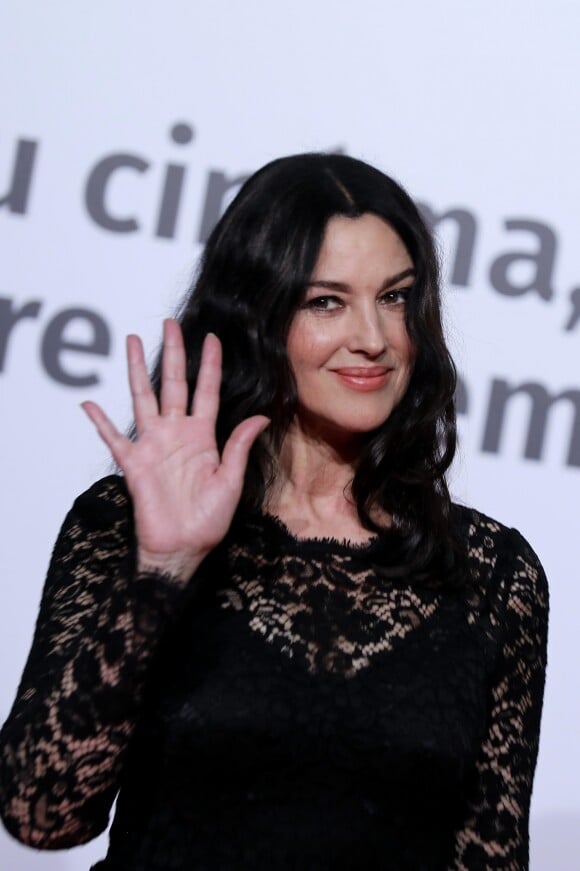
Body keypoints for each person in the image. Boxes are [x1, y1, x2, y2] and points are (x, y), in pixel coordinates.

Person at [0, 153, 548, 870]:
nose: (374, 338)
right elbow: (44, 812)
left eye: (395, 297)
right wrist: (164, 569)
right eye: (327, 302)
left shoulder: (491, 573)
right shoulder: (125, 524)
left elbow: (490, 858)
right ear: (258, 314)